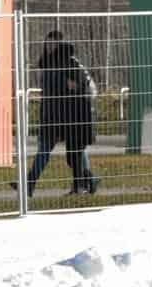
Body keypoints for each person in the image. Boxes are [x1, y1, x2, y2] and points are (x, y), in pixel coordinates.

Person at [28, 31, 101, 197]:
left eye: (53, 44)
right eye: (47, 44)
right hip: (51, 113)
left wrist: (75, 90)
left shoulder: (71, 64)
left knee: (72, 153)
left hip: (70, 115)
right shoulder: (46, 65)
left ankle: (30, 184)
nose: (50, 47)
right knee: (67, 152)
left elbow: (87, 88)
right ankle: (89, 181)